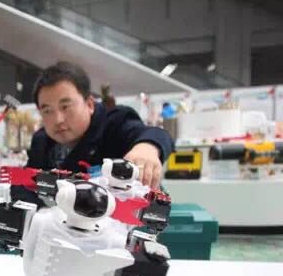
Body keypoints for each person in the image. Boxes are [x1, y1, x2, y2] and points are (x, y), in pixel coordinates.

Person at [12, 61, 173, 205]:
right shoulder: (42, 141)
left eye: (65, 106)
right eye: (47, 110)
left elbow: (155, 134)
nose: (58, 119)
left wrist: (147, 148)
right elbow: (25, 183)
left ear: (89, 104)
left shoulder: (114, 123)